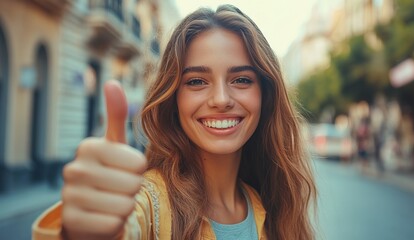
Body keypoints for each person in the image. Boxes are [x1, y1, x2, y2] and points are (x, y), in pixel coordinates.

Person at [33, 4, 317, 240]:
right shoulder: (148, 204)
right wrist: (87, 229)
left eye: (241, 79)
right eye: (196, 81)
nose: (221, 99)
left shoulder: (273, 206)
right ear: (174, 99)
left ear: (265, 95)